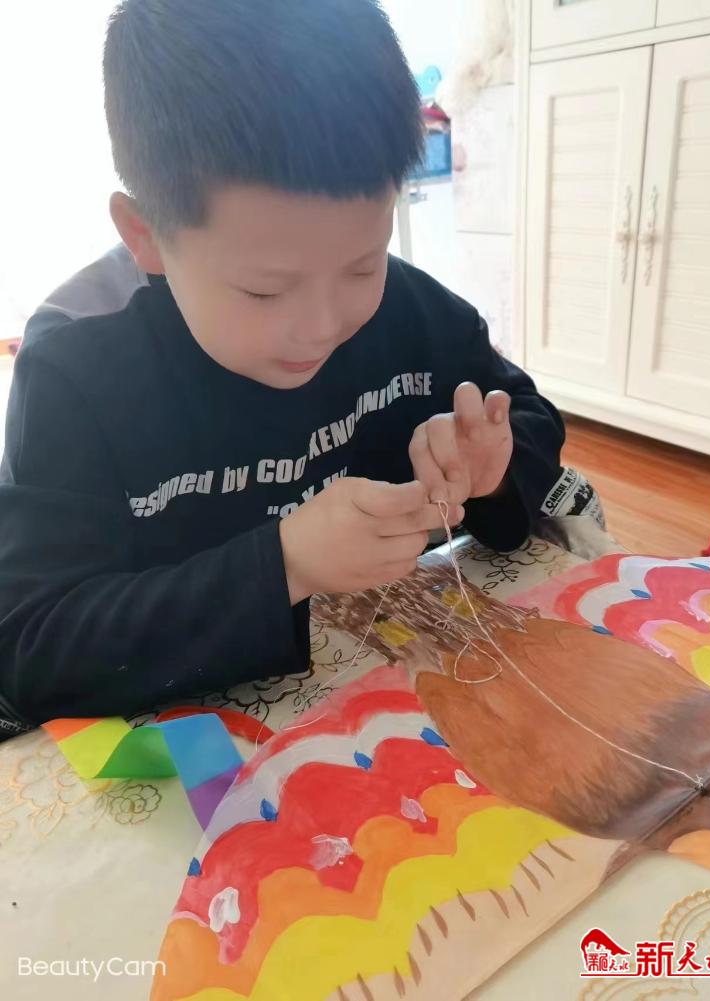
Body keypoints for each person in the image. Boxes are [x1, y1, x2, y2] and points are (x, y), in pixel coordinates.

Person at [0, 0, 569, 737]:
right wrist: (285, 565)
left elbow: (527, 419)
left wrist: (491, 470)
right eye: (265, 290)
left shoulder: (410, 310)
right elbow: (35, 643)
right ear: (146, 235)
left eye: (363, 264)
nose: (324, 324)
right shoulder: (76, 368)